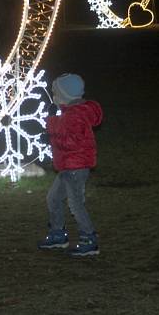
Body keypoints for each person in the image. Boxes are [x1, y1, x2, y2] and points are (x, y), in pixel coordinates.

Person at [37, 73, 103, 257]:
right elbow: (66, 137)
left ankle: (89, 238)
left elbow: (70, 142)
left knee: (75, 204)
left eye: (56, 94)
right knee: (54, 198)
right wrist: (53, 130)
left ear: (65, 96)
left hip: (75, 167)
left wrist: (51, 127)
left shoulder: (74, 117)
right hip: (69, 166)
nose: (54, 98)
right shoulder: (71, 115)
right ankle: (58, 234)